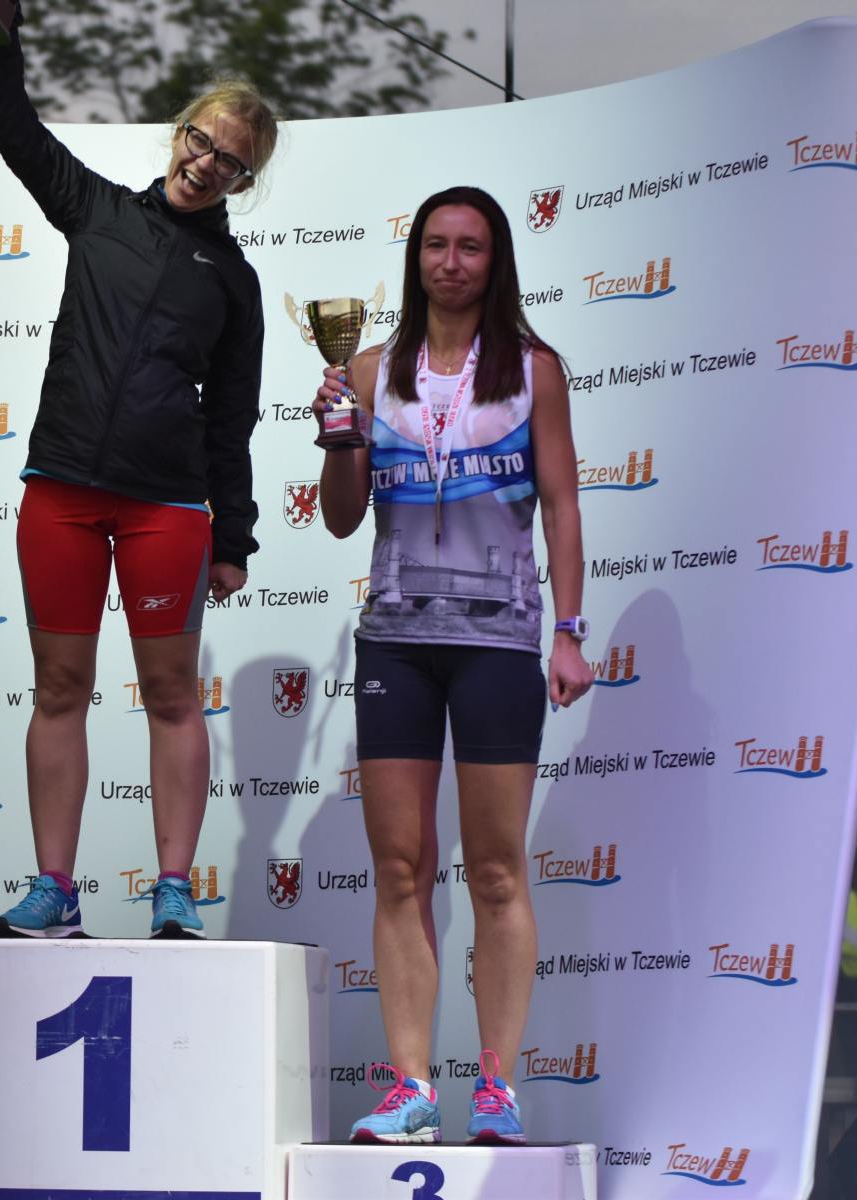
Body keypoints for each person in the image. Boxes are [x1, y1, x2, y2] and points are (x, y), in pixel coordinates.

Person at [0, 2, 276, 939]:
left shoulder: (234, 280)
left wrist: (234, 536)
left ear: (245, 180)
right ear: (180, 133)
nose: (206, 164)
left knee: (172, 697)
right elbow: (9, 123)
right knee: (59, 689)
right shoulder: (96, 209)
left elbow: (233, 415)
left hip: (167, 508)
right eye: (201, 141)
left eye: (231, 162)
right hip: (61, 490)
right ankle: (54, 889)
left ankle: (173, 888)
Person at [312, 186, 592, 1145]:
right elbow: (341, 517)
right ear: (416, 258)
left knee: (498, 871)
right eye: (436, 244)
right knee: (400, 868)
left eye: (470, 247)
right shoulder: (367, 368)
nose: (451, 262)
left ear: (495, 260)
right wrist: (339, 441)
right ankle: (411, 1087)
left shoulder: (534, 370)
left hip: (499, 639)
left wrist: (569, 630)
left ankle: (498, 1088)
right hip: (395, 636)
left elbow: (562, 504)